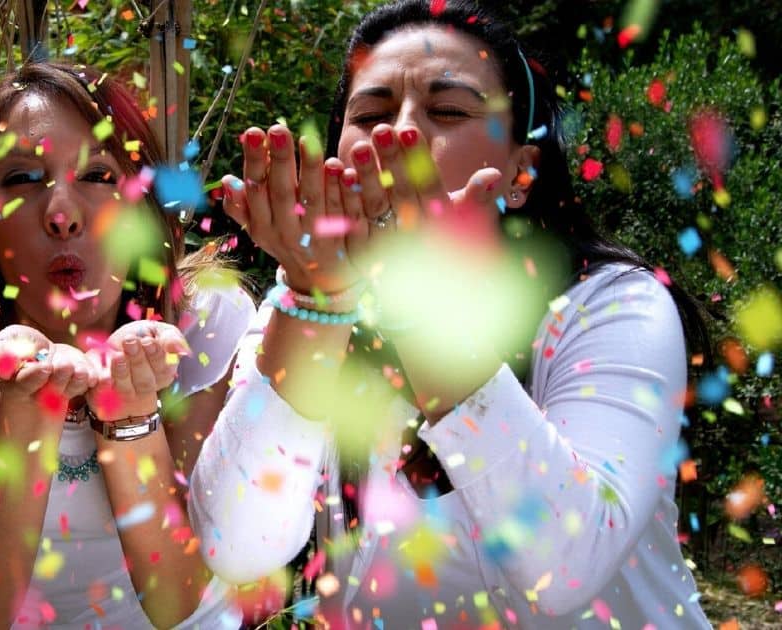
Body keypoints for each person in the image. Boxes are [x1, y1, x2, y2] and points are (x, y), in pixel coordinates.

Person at [191, 1, 712, 628]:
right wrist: (315, 302)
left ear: (522, 171)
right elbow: (237, 548)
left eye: (448, 111)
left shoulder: (614, 306)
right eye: (370, 115)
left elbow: (567, 567)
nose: (397, 135)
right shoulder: (302, 306)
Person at [0, 62, 254, 628]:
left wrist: (129, 413)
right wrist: (25, 408)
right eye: (22, 178)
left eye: (98, 176)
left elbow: (177, 596)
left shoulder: (202, 322)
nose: (61, 215)